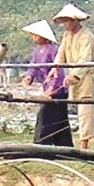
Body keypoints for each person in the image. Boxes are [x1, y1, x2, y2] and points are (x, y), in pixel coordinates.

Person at [53, 3, 94, 150]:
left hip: (87, 78)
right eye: (64, 21)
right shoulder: (67, 35)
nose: (65, 24)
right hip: (75, 78)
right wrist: (56, 67)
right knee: (89, 114)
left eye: (67, 21)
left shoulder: (86, 36)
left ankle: (83, 146)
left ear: (75, 21)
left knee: (86, 112)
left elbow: (85, 59)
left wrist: (75, 74)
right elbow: (61, 53)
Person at [21, 19, 73, 147]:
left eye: (35, 35)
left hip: (57, 89)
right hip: (46, 87)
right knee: (59, 119)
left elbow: (58, 70)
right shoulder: (37, 51)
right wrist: (29, 77)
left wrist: (53, 88)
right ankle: (63, 144)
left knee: (48, 117)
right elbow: (33, 66)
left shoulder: (53, 49)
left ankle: (43, 143)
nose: (33, 37)